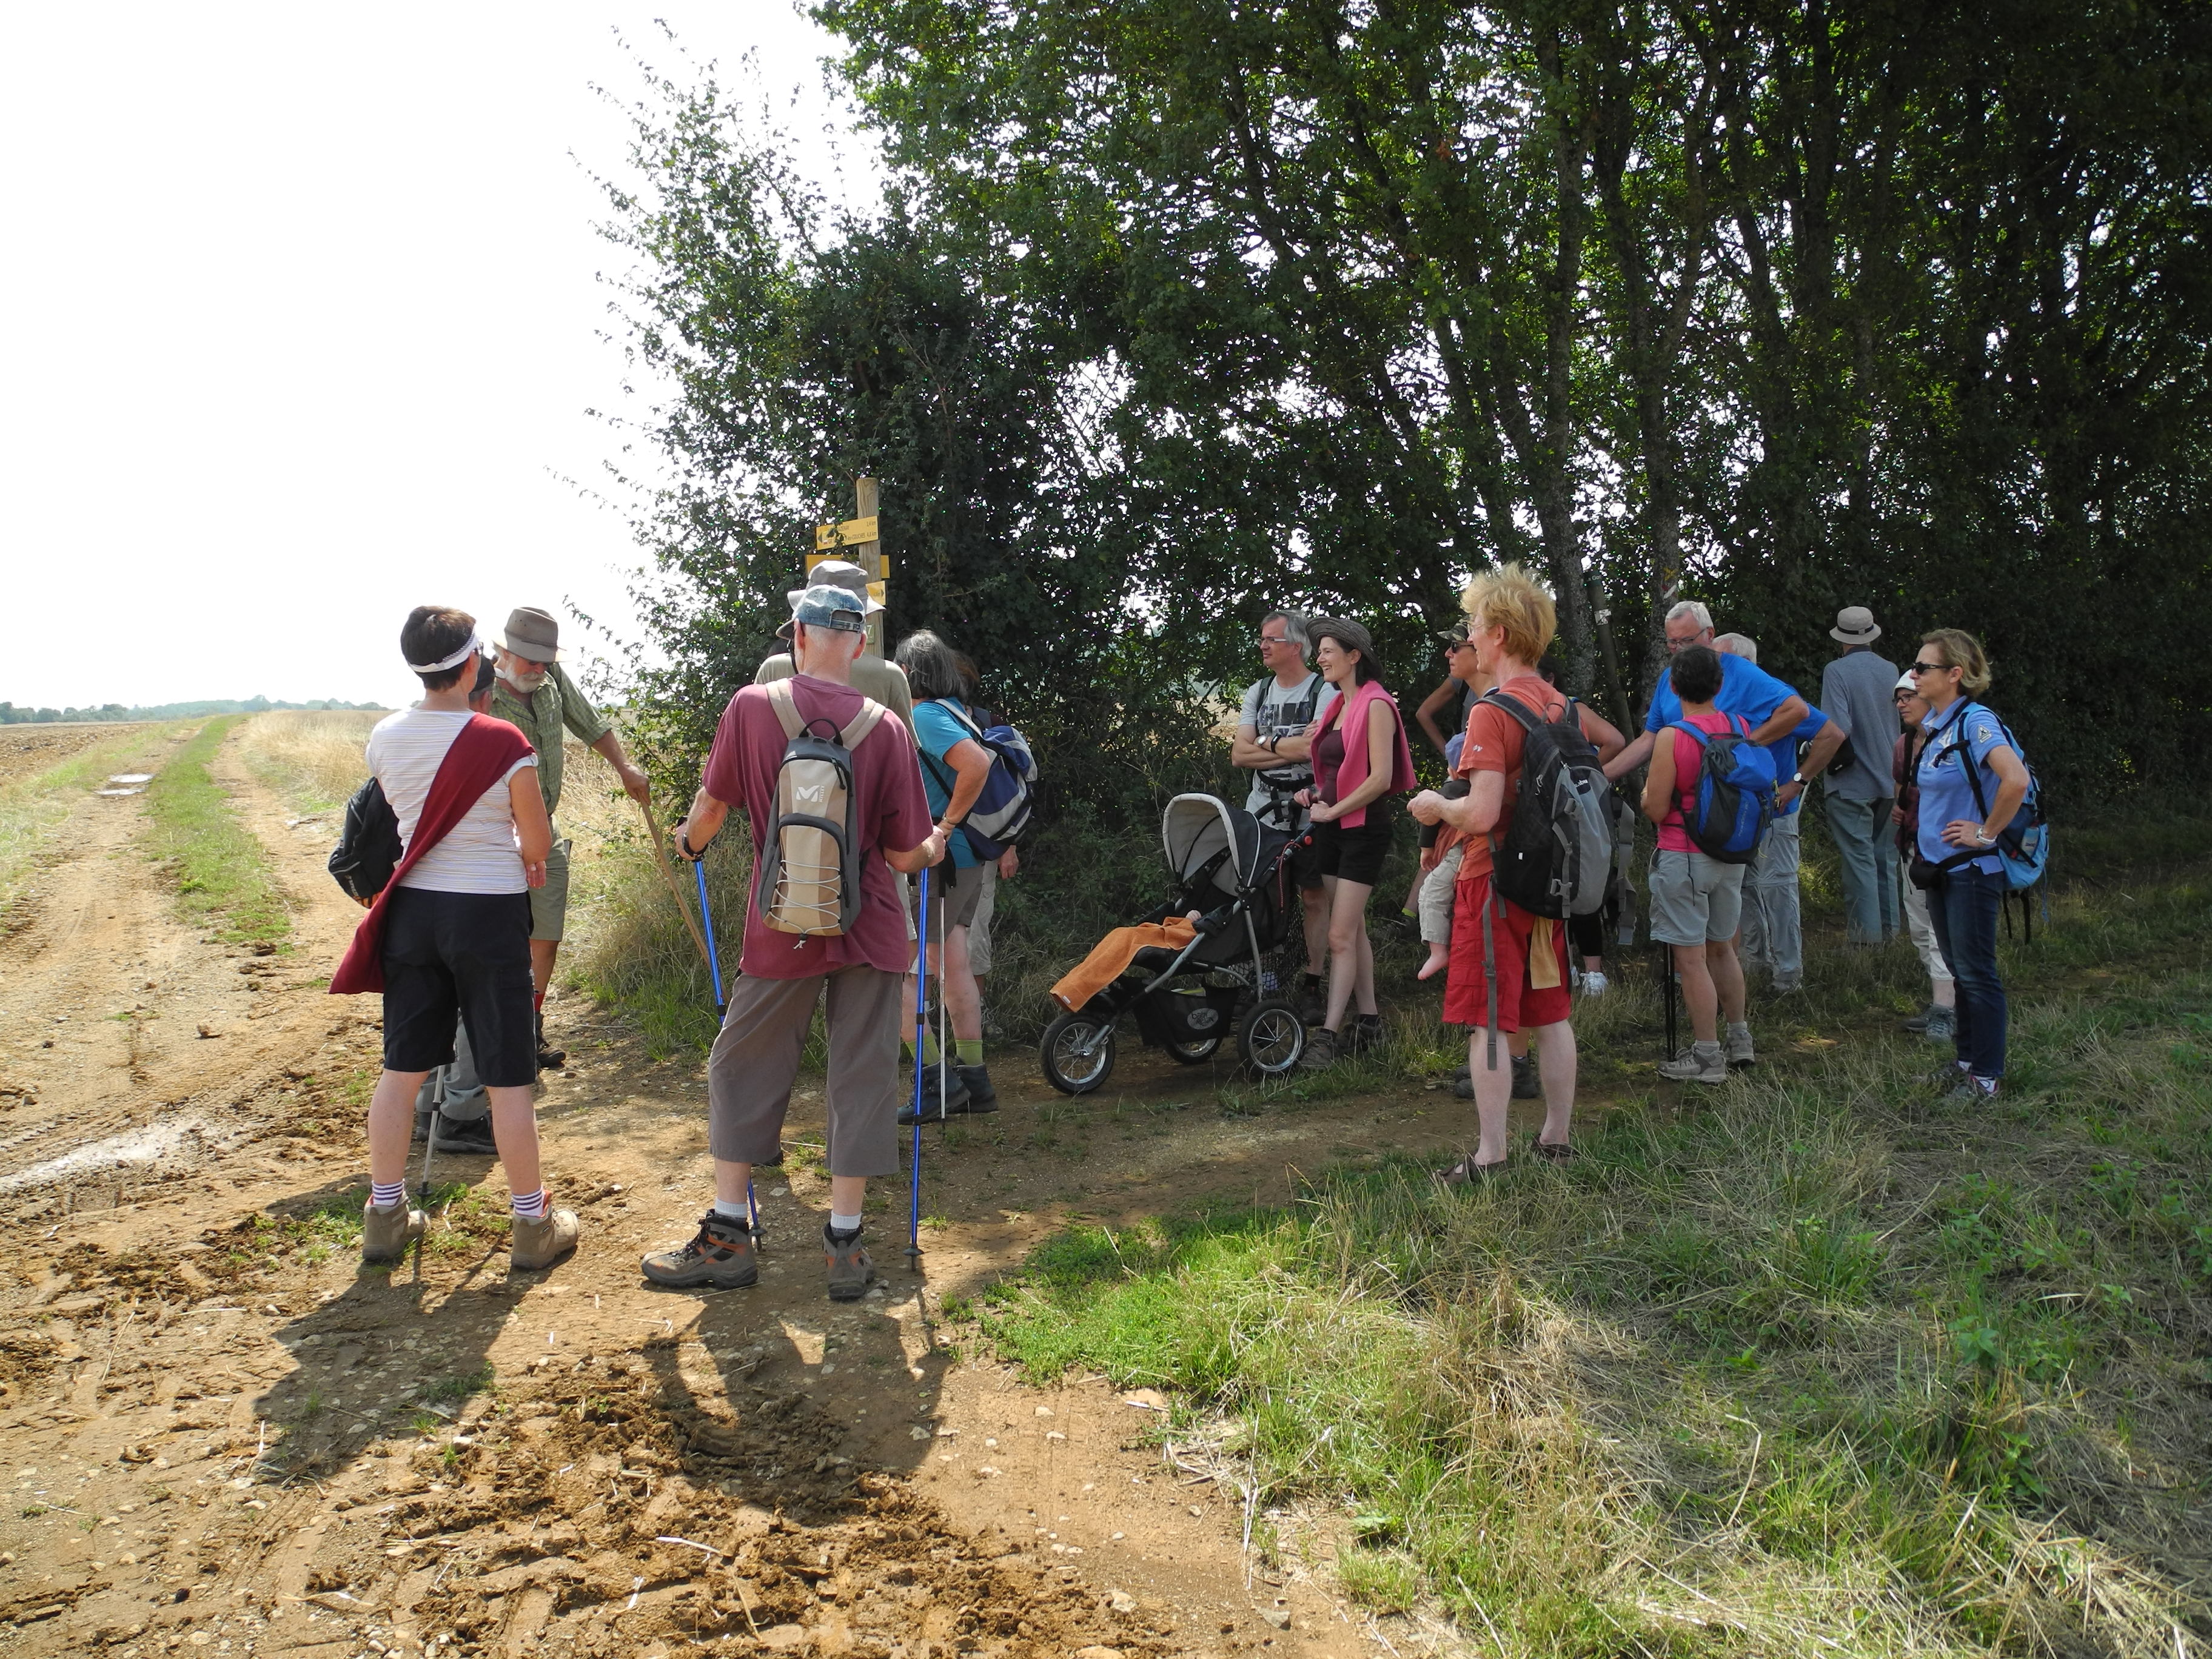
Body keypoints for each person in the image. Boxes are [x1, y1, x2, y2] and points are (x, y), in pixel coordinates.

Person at [648, 584, 946, 1298]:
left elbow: (711, 809)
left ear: (796, 637)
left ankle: (727, 1236)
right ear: (861, 644)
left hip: (781, 922)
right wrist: (937, 843)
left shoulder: (752, 708)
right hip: (868, 928)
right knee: (861, 1077)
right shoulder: (888, 727)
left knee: (742, 1063)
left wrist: (688, 841)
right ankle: (845, 1246)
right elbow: (906, 856)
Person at [348, 606, 578, 1270]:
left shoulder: (384, 737)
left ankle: (386, 1215)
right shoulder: (505, 743)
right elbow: (537, 844)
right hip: (489, 913)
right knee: (508, 1077)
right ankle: (533, 1225)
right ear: (473, 664)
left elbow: (404, 820)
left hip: (415, 912)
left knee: (401, 1069)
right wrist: (517, 844)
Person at [1408, 563, 1580, 1176]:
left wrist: (1435, 806)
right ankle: (1555, 1141)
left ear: (1501, 634)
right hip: (1549, 881)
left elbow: (1480, 814)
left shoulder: (1490, 711)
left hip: (1494, 881)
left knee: (1486, 1020)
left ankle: (1491, 1154)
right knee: (1551, 1011)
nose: (1472, 637)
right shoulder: (1560, 704)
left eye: (1477, 626)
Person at [488, 606, 652, 1070]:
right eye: (530, 661)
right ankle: (487, 1037)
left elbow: (589, 723)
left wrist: (625, 767)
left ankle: (527, 1032)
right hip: (493, 834)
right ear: (504, 651)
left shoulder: (551, 678)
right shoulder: (476, 689)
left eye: (545, 661)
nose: (538, 670)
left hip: (547, 827)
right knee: (499, 936)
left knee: (546, 934)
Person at [892, 629, 1017, 1119]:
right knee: (955, 964)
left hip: (942, 861)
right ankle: (974, 1080)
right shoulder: (953, 711)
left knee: (900, 970)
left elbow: (974, 764)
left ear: (910, 673)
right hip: (968, 860)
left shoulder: (924, 715)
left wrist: (943, 827)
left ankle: (934, 1083)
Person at [1911, 629, 2029, 1101]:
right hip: (1941, 869)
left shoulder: (1976, 722)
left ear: (1955, 674)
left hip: (1972, 872)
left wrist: (1985, 834)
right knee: (1961, 972)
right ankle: (1965, 1064)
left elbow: (2014, 780)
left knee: (1978, 974)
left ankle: (1986, 1078)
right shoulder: (1940, 724)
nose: (1915, 675)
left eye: (1924, 667)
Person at [1294, 618, 1416, 1067]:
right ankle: (1369, 1022)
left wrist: (1334, 809)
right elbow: (1333, 773)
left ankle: (1327, 1035)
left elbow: (1380, 779)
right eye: (1319, 650)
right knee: (1354, 929)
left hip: (1363, 829)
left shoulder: (1377, 704)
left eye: (1327, 650)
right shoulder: (1337, 706)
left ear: (1354, 656)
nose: (1320, 657)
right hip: (1331, 825)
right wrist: (1313, 794)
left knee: (1340, 934)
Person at [1640, 645, 1755, 1084]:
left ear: (1673, 686)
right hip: (1731, 854)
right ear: (1720, 685)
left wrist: (1644, 797)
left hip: (1684, 855)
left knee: (1691, 960)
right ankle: (1739, 1039)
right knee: (1723, 947)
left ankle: (1707, 1057)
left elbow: (1656, 806)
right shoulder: (1739, 725)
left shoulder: (1674, 736)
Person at [1706, 629, 1845, 993]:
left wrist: (1797, 781)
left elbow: (1832, 735)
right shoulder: (1719, 699)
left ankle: (1788, 976)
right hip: (1736, 814)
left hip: (1776, 811)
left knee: (1777, 888)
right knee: (1744, 889)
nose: (1720, 670)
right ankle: (1754, 965)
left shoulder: (1777, 697)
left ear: (1747, 665)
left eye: (1726, 662)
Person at [411, 652, 504, 1156]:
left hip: (412, 901)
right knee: (473, 1007)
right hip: (475, 899)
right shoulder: (490, 744)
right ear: (482, 693)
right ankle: (463, 1113)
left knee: (431, 1000)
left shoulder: (400, 736)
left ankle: (426, 1108)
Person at [1230, 609, 1337, 1021]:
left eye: (1271, 639)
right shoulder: (1257, 692)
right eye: (1262, 638)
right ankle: (1263, 982)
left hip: (1311, 812)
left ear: (1296, 645)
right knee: (1262, 900)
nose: (1263, 645)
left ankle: (1311, 984)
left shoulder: (1323, 691)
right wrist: (1282, 743)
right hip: (1263, 812)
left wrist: (1262, 741)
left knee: (1313, 897)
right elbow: (1239, 755)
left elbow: (1314, 751)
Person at [1820, 606, 1902, 945]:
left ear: (1840, 639)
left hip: (1852, 781)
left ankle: (1865, 944)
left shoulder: (1836, 671)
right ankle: (1891, 935)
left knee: (1859, 861)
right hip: (1891, 776)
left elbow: (1839, 729)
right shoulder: (1892, 669)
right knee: (1886, 858)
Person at [756, 560, 916, 725]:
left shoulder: (772, 669)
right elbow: (907, 747)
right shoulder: (891, 676)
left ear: (799, 631)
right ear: (862, 637)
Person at [1891, 669, 1957, 1041]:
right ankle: (1946, 1002)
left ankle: (1945, 1010)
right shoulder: (1903, 744)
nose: (1901, 704)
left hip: (1943, 852)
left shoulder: (1950, 741)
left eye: (1908, 696)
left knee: (1938, 930)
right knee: (1919, 929)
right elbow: (1900, 787)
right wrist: (1898, 810)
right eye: (1898, 698)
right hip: (1911, 846)